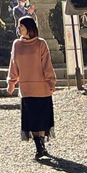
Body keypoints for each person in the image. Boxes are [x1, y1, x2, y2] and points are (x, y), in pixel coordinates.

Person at [7, 16, 57, 160]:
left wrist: (51, 81)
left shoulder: (41, 44)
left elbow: (47, 65)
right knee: (33, 120)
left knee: (41, 119)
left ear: (29, 27)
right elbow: (13, 65)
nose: (19, 29)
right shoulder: (16, 44)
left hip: (42, 88)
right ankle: (39, 147)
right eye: (18, 26)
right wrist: (11, 82)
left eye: (21, 26)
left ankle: (40, 146)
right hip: (26, 88)